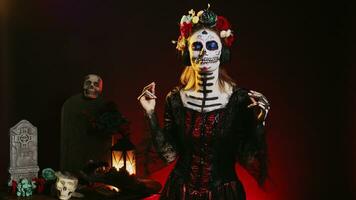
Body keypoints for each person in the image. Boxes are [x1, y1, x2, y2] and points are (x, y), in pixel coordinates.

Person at [138, 6, 270, 200]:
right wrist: (150, 114)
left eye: (212, 46)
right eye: (197, 46)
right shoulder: (175, 99)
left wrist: (259, 123)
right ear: (187, 54)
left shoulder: (240, 100)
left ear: (223, 52)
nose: (204, 52)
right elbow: (169, 155)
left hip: (223, 194)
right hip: (179, 193)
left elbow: (247, 158)